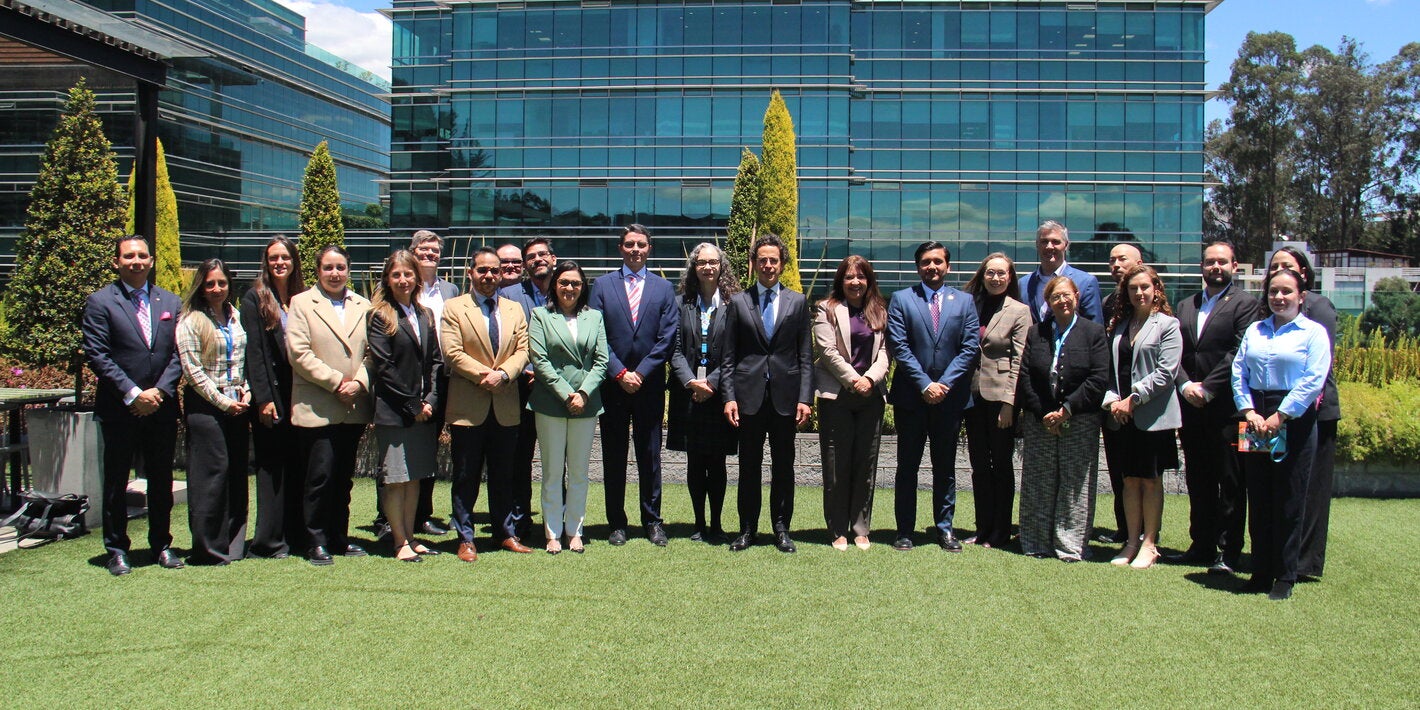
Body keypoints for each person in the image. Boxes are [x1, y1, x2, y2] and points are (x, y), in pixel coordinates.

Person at [82, 235, 184, 576]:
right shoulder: (100, 302)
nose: (136, 261)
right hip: (120, 408)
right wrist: (134, 394)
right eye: (129, 256)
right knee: (116, 480)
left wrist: (158, 393)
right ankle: (116, 549)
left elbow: (177, 354)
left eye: (142, 256)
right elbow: (98, 355)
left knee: (160, 479)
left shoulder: (169, 301)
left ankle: (161, 545)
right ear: (117, 262)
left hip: (161, 408)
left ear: (151, 261)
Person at [1231, 267, 1331, 601]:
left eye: (1287, 292)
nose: (1279, 297)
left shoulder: (1313, 333)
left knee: (1289, 496)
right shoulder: (1255, 330)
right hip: (1256, 416)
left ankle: (1285, 575)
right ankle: (1260, 570)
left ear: (1301, 296)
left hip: (1294, 417)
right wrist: (1249, 411)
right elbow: (1239, 372)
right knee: (1259, 494)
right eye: (1273, 291)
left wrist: (1281, 415)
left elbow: (1313, 379)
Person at [1169, 241, 1262, 574]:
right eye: (1210, 262)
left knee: (1230, 482)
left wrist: (1208, 388)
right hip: (1190, 406)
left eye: (1222, 262)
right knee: (1198, 478)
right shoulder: (1185, 305)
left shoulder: (1246, 304)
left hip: (1227, 408)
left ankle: (1229, 551)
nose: (1216, 267)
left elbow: (1238, 352)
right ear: (1202, 267)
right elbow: (1174, 351)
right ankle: (1201, 544)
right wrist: (1183, 384)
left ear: (1234, 267)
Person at [886, 241, 980, 552]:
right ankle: (904, 530)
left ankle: (945, 529)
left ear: (947, 266)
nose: (932, 267)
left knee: (945, 467)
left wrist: (944, 385)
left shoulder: (964, 302)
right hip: (912, 399)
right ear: (918, 267)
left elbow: (969, 349)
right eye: (926, 262)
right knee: (907, 466)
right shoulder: (901, 299)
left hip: (950, 400)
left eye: (938, 261)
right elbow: (899, 346)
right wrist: (926, 384)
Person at [588, 224, 679, 546]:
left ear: (649, 249)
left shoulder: (663, 289)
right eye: (629, 244)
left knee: (650, 456)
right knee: (613, 455)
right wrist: (619, 373)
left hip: (649, 385)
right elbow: (595, 334)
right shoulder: (601, 285)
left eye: (641, 244)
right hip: (612, 386)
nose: (635, 249)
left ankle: (652, 521)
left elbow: (667, 337)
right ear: (620, 248)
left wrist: (639, 373)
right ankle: (617, 523)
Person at [722, 234, 813, 553]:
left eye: (773, 259)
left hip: (786, 398)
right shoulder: (738, 302)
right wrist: (729, 396)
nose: (768, 265)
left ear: (782, 264)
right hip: (747, 398)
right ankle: (747, 529)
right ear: (753, 263)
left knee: (784, 465)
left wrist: (805, 397)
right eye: (762, 259)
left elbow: (805, 355)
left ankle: (781, 528)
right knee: (749, 465)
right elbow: (729, 356)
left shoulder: (798, 302)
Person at [443, 247, 531, 561]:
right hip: (469, 405)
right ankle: (465, 538)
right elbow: (452, 352)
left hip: (506, 404)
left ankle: (505, 533)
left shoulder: (514, 309)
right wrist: (487, 375)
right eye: (482, 270)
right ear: (471, 273)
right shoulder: (454, 308)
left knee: (504, 474)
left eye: (494, 270)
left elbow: (524, 349)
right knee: (465, 475)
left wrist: (505, 374)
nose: (489, 276)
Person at [287, 245, 373, 566]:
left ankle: (339, 536)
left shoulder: (364, 305)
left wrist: (359, 383)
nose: (335, 273)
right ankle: (315, 541)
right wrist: (337, 382)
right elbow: (298, 352)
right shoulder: (301, 303)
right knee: (319, 476)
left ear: (348, 269)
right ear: (318, 270)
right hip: (319, 403)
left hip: (353, 405)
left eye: (340, 267)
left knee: (343, 477)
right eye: (328, 268)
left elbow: (372, 353)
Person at [1015, 276, 1110, 562]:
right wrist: (1045, 412)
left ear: (1077, 297)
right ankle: (1035, 541)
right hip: (1040, 419)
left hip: (1080, 419)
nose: (1062, 301)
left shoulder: (1093, 332)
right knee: (1038, 480)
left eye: (1066, 295)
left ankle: (1070, 545)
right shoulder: (1036, 333)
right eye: (1055, 296)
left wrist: (1067, 409)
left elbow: (1098, 377)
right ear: (1048, 302)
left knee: (1075, 483)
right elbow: (1026, 377)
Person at [1102, 265, 1182, 569]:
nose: (1139, 293)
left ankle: (1150, 544)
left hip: (1152, 416)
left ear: (1156, 289)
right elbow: (1111, 369)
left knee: (1150, 480)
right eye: (1133, 288)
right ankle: (1131, 541)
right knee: (1128, 480)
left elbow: (1166, 373)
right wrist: (1113, 401)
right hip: (1121, 417)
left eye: (1145, 287)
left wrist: (1132, 399)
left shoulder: (1168, 325)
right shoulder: (1120, 325)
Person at [1268, 246, 1340, 583]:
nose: (1280, 271)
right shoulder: (1264, 315)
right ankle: (1273, 558)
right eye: (1274, 268)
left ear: (1303, 276)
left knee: (1308, 491)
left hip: (1314, 414)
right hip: (1266, 416)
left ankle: (1304, 562)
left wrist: (1289, 409)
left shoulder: (1318, 310)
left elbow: (1319, 369)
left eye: (1287, 267)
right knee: (1271, 488)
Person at [368, 250, 445, 563]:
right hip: (395, 412)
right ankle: (399, 541)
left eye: (408, 274)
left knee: (415, 478)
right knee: (396, 479)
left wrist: (430, 401)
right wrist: (413, 404)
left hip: (423, 412)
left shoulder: (424, 313)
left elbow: (437, 361)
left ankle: (411, 537)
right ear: (388, 278)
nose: (402, 280)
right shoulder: (379, 315)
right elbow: (384, 367)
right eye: (396, 274)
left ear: (417, 277)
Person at [527, 261, 608, 554]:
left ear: (582, 286)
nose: (569, 288)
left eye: (575, 283)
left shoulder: (594, 317)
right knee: (551, 471)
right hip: (551, 402)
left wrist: (583, 393)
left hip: (585, 405)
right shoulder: (540, 315)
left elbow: (602, 361)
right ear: (554, 285)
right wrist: (566, 394)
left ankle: (574, 530)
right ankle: (552, 532)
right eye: (563, 282)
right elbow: (540, 360)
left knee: (579, 472)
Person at [175, 259, 251, 565]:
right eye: (210, 284)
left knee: (236, 476)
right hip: (207, 409)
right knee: (211, 479)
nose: (217, 289)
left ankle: (233, 544)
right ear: (201, 287)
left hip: (238, 405)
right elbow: (193, 372)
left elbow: (246, 360)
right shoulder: (191, 321)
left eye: (222, 283)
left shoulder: (237, 317)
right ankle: (208, 548)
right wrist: (223, 402)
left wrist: (247, 392)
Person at [812, 255, 890, 551]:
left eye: (860, 277)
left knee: (865, 463)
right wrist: (853, 379)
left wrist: (869, 380)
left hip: (871, 396)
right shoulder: (827, 308)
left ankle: (860, 527)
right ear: (840, 281)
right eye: (849, 277)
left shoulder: (880, 310)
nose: (855, 282)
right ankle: (837, 528)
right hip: (838, 396)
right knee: (836, 465)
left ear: (869, 280)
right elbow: (827, 351)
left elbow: (885, 351)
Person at [667, 243, 740, 545]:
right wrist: (690, 382)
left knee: (718, 462)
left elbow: (736, 351)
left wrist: (711, 382)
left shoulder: (735, 304)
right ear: (693, 267)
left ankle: (718, 524)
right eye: (701, 263)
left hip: (720, 394)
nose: (708, 267)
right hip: (689, 395)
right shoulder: (680, 303)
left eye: (713, 262)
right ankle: (698, 522)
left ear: (722, 266)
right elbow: (673, 349)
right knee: (695, 462)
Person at [241, 236, 308, 559]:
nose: (279, 263)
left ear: (294, 261)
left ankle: (295, 534)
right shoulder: (255, 299)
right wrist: (263, 399)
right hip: (273, 397)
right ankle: (268, 540)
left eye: (285, 257)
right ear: (266, 263)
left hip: (301, 395)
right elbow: (254, 353)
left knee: (298, 467)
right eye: (273, 258)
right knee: (271, 469)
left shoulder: (301, 297)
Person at [960, 253, 1030, 549]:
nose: (996, 278)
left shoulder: (1019, 310)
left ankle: (1001, 530)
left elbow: (1018, 360)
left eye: (1002, 273)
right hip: (971, 397)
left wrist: (1010, 404)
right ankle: (982, 527)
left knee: (1001, 464)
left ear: (1010, 277)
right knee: (979, 465)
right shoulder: (970, 304)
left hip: (1001, 398)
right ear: (982, 274)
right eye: (991, 272)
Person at [499, 236, 557, 539]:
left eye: (543, 254)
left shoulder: (567, 290)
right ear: (525, 265)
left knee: (556, 458)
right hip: (519, 389)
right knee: (519, 458)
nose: (538, 260)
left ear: (553, 258)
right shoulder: (507, 294)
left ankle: (556, 521)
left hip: (556, 391)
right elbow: (500, 338)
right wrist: (527, 369)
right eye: (531, 256)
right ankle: (519, 521)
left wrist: (550, 374)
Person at [1095, 242, 1146, 544]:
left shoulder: (1150, 303)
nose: (1115, 264)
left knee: (1144, 474)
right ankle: (1125, 529)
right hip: (1113, 402)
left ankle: (1146, 532)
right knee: (1119, 471)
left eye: (1121, 259)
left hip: (1144, 401)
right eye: (1111, 260)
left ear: (1138, 262)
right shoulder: (1107, 303)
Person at [1019, 221, 1103, 324]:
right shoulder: (1023, 284)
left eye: (1055, 242)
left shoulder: (1086, 283)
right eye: (1044, 241)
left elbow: (1095, 330)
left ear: (1066, 245)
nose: (1049, 246)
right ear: (1037, 245)